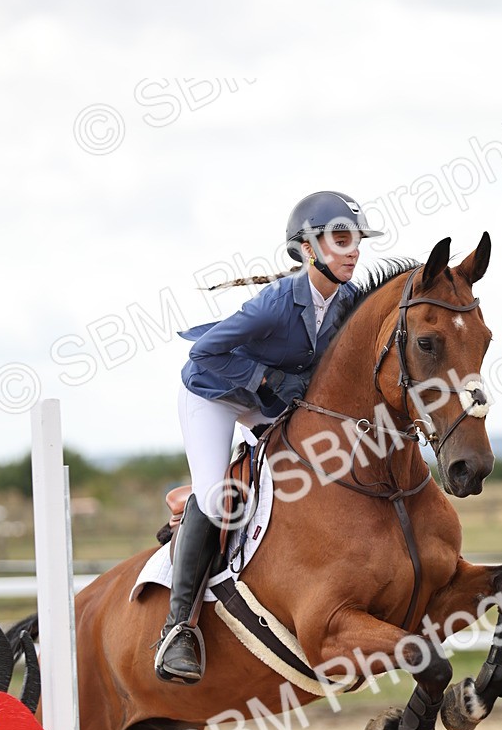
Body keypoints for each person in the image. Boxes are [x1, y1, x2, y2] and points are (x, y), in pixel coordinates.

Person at [154, 190, 383, 684]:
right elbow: (203, 358)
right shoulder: (276, 304)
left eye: (355, 241)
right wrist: (267, 379)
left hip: (263, 404)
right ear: (307, 248)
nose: (353, 251)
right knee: (218, 499)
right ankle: (178, 630)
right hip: (213, 394)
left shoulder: (346, 305)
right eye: (341, 239)